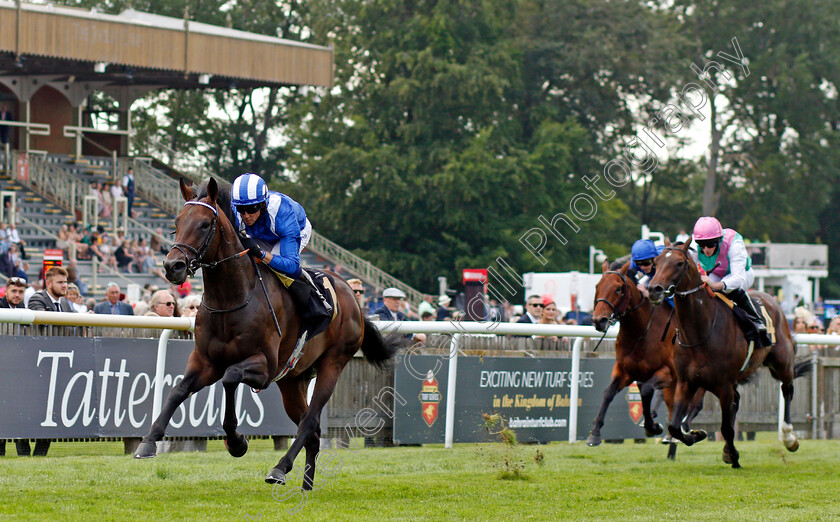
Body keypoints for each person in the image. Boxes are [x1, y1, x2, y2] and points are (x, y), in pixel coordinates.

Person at [231, 173, 332, 345]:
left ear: (262, 204)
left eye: (252, 208)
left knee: (277, 268)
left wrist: (262, 254)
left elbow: (292, 265)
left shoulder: (281, 212)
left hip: (293, 231)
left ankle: (316, 299)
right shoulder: (236, 210)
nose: (246, 215)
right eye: (241, 209)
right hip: (261, 234)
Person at [692, 216, 769, 346]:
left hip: (742, 274)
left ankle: (755, 320)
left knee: (732, 289)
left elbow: (737, 278)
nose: (705, 249)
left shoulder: (734, 243)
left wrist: (714, 284)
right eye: (702, 245)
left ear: (718, 240)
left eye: (710, 245)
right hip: (717, 274)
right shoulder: (696, 246)